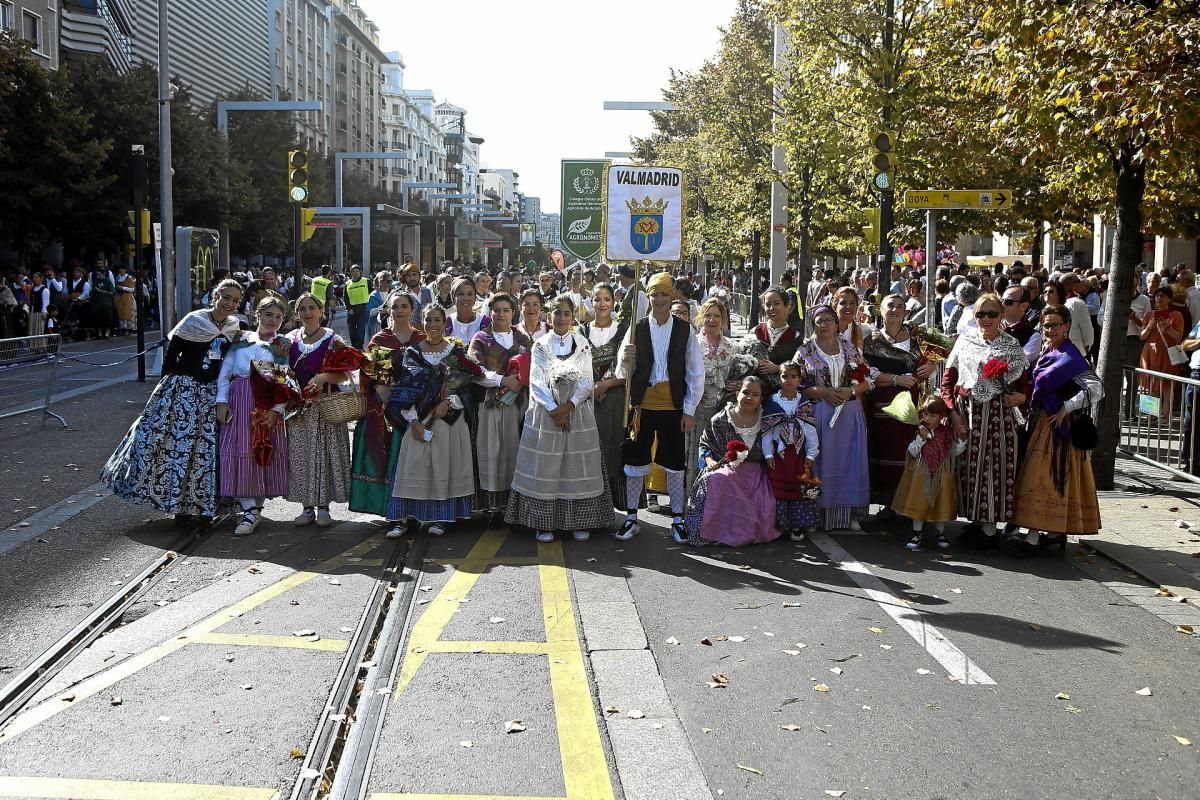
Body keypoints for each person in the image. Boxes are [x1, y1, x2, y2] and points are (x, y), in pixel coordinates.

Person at [103, 279, 244, 523]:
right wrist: (166, 390)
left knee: (209, 450)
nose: (230, 304)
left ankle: (205, 505)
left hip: (214, 394)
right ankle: (179, 504)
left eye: (235, 300)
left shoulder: (235, 326)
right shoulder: (193, 321)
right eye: (226, 297)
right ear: (215, 296)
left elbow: (233, 360)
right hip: (183, 390)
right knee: (178, 448)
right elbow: (171, 357)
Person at [506, 295, 611, 542]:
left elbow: (587, 381)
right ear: (549, 316)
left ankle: (579, 521)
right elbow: (536, 381)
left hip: (577, 415)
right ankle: (544, 524)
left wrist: (570, 406)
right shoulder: (541, 344)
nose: (561, 318)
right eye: (557, 313)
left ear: (573, 317)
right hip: (546, 415)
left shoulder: (582, 343)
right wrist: (555, 410)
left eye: (566, 313)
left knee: (576, 469)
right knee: (547, 468)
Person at [615, 272, 705, 542]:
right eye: (654, 294)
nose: (659, 299)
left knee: (673, 462)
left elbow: (695, 372)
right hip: (641, 406)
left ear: (672, 295)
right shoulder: (636, 327)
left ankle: (677, 519)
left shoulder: (684, 330)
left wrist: (689, 409)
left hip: (672, 405)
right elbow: (622, 373)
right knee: (635, 460)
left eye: (664, 294)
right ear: (648, 296)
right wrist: (626, 357)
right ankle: (632, 517)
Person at [940, 292, 1030, 549]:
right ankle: (976, 521)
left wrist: (1020, 398)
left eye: (992, 313)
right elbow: (948, 381)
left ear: (1002, 316)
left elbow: (1025, 386)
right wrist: (953, 413)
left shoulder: (1011, 346)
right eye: (981, 314)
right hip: (968, 414)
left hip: (998, 418)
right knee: (968, 469)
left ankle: (990, 528)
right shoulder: (964, 342)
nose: (986, 319)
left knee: (995, 469)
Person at [385, 304, 484, 537]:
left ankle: (442, 518)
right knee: (412, 466)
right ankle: (401, 518)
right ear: (422, 323)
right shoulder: (412, 353)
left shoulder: (456, 352)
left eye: (437, 320)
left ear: (444, 323)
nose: (433, 325)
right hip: (419, 419)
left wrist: (448, 402)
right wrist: (414, 421)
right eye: (428, 320)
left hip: (448, 421)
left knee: (445, 466)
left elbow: (468, 386)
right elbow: (405, 389)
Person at [1011, 304, 1103, 554]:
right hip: (1042, 419)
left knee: (1045, 476)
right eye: (1046, 325)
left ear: (1066, 326)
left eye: (1055, 325)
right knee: (1046, 477)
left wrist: (1067, 408)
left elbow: (1096, 388)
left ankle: (1035, 536)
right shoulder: (1047, 351)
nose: (1050, 329)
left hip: (1057, 425)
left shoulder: (1071, 356)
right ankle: (1053, 533)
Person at [216, 296, 294, 536]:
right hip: (239, 402)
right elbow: (226, 370)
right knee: (240, 451)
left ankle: (254, 510)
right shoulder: (242, 339)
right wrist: (222, 401)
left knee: (260, 452)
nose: (273, 320)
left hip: (265, 405)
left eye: (279, 317)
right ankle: (249, 509)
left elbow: (283, 381)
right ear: (257, 315)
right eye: (269, 315)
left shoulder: (282, 345)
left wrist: (276, 410)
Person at [350, 290, 426, 523]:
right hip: (384, 409)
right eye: (395, 307)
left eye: (404, 306)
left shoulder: (421, 338)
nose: (399, 311)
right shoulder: (380, 340)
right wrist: (377, 389)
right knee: (387, 456)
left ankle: (417, 509)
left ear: (412, 310)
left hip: (417, 408)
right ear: (388, 311)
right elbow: (366, 371)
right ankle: (389, 508)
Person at [797, 305, 873, 530]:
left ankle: (851, 513)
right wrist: (823, 392)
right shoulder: (805, 351)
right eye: (819, 320)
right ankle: (815, 515)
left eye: (829, 320)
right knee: (821, 460)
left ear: (836, 323)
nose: (825, 324)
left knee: (849, 460)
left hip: (849, 411)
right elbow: (797, 384)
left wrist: (851, 391)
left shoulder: (849, 348)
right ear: (813, 324)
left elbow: (867, 378)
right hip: (819, 411)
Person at [684, 376, 781, 546]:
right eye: (745, 392)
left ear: (761, 399)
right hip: (726, 468)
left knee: (764, 497)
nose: (749, 397)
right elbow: (705, 445)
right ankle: (715, 532)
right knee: (720, 479)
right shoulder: (720, 420)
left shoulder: (767, 420)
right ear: (737, 394)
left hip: (756, 473)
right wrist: (709, 462)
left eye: (755, 394)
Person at [861, 295, 936, 509]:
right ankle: (887, 505)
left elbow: (932, 367)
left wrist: (931, 367)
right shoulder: (870, 341)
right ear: (880, 311)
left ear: (906, 312)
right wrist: (896, 379)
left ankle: (908, 504)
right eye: (889, 306)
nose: (894, 310)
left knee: (910, 452)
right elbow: (866, 373)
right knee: (883, 452)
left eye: (900, 306)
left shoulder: (919, 340)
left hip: (913, 406)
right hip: (881, 406)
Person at [287, 293, 353, 527]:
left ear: (321, 310)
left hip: (326, 406)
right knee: (302, 456)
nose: (307, 312)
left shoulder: (333, 340)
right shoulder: (289, 339)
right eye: (302, 309)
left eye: (311, 308)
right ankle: (307, 507)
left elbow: (345, 373)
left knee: (324, 456)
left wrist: (324, 376)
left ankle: (323, 506)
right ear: (297, 314)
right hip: (299, 410)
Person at [468, 293, 531, 522]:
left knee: (514, 452)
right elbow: (474, 370)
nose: (501, 314)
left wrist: (519, 383)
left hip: (517, 404)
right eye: (496, 310)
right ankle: (493, 508)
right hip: (489, 404)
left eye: (506, 310)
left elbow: (533, 367)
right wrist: (502, 381)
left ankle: (514, 505)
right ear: (490, 312)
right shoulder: (481, 338)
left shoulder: (523, 339)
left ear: (513, 313)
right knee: (491, 452)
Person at [893, 396, 967, 551]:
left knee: (942, 502)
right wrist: (921, 440)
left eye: (933, 415)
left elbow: (954, 450)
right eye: (926, 414)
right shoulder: (920, 430)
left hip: (942, 471)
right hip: (922, 471)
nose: (928, 418)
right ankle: (917, 533)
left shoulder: (946, 432)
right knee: (919, 500)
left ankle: (940, 533)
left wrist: (963, 439)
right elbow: (912, 451)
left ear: (941, 417)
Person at [579, 283, 629, 509]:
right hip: (586, 399)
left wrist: (606, 384)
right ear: (591, 301)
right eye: (597, 299)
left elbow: (630, 369)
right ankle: (590, 506)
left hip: (615, 399)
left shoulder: (624, 330)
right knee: (589, 450)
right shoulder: (580, 331)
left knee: (613, 449)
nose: (602, 304)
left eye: (607, 299)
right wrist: (592, 387)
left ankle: (614, 505)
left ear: (614, 301)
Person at [686, 298, 740, 493]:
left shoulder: (733, 347)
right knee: (699, 456)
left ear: (723, 319)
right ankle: (695, 503)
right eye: (708, 315)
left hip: (725, 412)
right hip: (699, 408)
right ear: (701, 317)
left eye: (716, 315)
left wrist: (739, 385)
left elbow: (743, 377)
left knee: (724, 457)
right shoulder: (692, 345)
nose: (712, 320)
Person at [762, 361, 820, 541]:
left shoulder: (803, 402)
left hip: (799, 453)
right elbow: (767, 430)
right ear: (779, 378)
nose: (789, 380)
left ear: (800, 379)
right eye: (784, 376)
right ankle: (780, 524)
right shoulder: (772, 401)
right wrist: (768, 454)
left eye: (793, 376)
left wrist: (811, 453)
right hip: (779, 454)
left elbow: (810, 429)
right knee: (778, 488)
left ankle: (797, 525)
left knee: (799, 487)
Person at [1138, 285, 1185, 417]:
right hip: (1149, 353)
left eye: (1162, 296)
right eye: (1157, 296)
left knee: (1167, 385)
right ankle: (1151, 414)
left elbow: (1178, 338)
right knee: (1150, 383)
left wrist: (1168, 328)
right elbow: (1142, 337)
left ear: (1169, 299)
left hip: (1168, 353)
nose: (1158, 298)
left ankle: (1165, 415)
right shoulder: (1149, 315)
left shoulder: (1177, 315)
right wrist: (1149, 327)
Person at [1000, 285, 1042, 363]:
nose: (1002, 305)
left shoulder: (1033, 336)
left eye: (1008, 302)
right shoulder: (992, 325)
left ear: (1024, 306)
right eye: (1001, 301)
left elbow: (1019, 363)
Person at [1058, 274, 1095, 357]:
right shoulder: (1077, 303)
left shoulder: (1054, 301)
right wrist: (1086, 346)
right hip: (1075, 351)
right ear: (1071, 284)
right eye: (1078, 281)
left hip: (1057, 350)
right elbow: (1087, 329)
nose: (1080, 283)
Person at [448, 277, 490, 343]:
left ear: (475, 297)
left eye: (470, 294)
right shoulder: (447, 322)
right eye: (461, 294)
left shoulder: (484, 321)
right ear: (453, 297)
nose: (465, 298)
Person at [344, 265, 371, 348]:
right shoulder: (347, 283)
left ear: (360, 272)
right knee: (351, 329)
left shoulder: (366, 281)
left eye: (357, 271)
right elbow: (345, 298)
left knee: (360, 328)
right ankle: (354, 345)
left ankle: (359, 346)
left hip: (363, 308)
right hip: (352, 309)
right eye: (353, 271)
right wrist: (349, 308)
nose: (355, 273)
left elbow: (372, 293)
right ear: (351, 273)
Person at [88, 268, 117, 340]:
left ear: (103, 274)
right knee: (98, 319)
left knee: (107, 318)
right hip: (97, 303)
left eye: (99, 274)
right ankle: (99, 334)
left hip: (107, 303)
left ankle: (106, 334)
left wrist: (101, 291)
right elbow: (92, 291)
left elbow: (112, 292)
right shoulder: (96, 281)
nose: (98, 276)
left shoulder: (107, 281)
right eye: (97, 275)